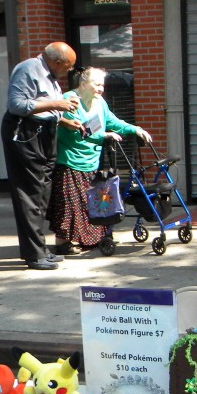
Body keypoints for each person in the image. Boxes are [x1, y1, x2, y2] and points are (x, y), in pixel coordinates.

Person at [48, 67, 151, 255]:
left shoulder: (100, 102)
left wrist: (135, 129)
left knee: (92, 203)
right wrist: (104, 135)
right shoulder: (70, 99)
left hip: (92, 161)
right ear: (83, 84)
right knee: (70, 205)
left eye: (102, 85)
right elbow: (77, 131)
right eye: (96, 84)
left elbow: (112, 121)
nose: (101, 88)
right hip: (70, 160)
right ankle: (62, 243)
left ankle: (91, 239)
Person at [1, 42, 80, 270]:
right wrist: (58, 103)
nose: (69, 71)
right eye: (68, 66)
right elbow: (16, 105)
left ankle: (41, 249)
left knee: (43, 193)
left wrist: (63, 120)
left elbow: (44, 107)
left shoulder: (50, 74)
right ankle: (34, 255)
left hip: (45, 132)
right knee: (30, 193)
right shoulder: (28, 69)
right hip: (25, 134)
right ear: (57, 62)